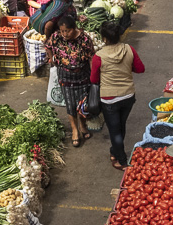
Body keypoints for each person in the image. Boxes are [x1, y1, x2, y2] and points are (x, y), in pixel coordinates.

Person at [92, 22, 144, 170]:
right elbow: (140, 69)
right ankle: (114, 151)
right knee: (121, 125)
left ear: (104, 39)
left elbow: (93, 79)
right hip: (128, 96)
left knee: (115, 130)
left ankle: (121, 161)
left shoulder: (99, 56)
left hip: (109, 99)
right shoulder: (129, 49)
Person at [46, 15, 95, 147]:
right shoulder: (56, 37)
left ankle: (83, 125)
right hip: (65, 77)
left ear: (74, 28)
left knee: (82, 104)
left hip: (82, 76)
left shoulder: (84, 39)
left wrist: (94, 76)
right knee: (70, 104)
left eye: (67, 31)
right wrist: (52, 60)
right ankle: (74, 129)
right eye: (62, 31)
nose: (64, 34)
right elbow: (48, 46)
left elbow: (91, 57)